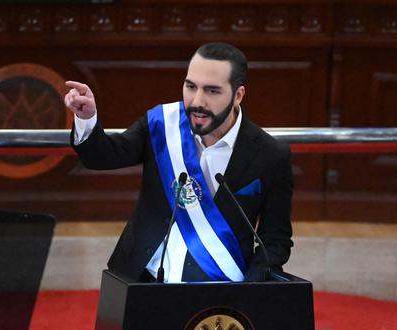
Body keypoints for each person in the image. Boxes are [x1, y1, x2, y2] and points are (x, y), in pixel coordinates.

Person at [64, 42, 293, 283]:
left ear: (238, 95)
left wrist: (248, 292)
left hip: (221, 289)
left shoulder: (270, 155)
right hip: (143, 279)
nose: (197, 101)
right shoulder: (163, 125)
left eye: (212, 91)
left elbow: (275, 241)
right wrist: (86, 117)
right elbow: (101, 157)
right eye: (190, 86)